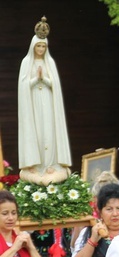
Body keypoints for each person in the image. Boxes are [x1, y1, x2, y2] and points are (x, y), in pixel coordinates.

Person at [18, 17, 72, 185]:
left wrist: (45, 80)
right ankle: (36, 165)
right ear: (33, 47)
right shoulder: (26, 62)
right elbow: (23, 86)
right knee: (37, 132)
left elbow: (54, 84)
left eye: (43, 46)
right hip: (33, 103)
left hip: (48, 102)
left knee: (49, 132)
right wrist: (36, 80)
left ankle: (50, 165)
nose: (40, 49)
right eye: (38, 46)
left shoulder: (50, 62)